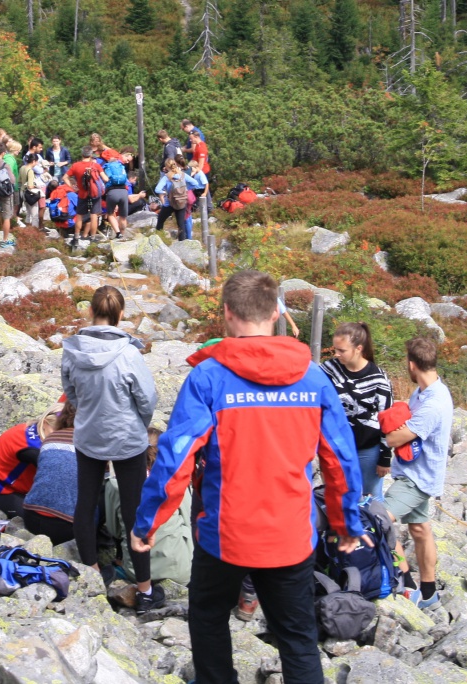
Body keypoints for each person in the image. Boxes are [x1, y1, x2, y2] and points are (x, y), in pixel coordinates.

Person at [132, 270, 368, 684]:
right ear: (277, 312)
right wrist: (346, 523)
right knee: (297, 638)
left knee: (207, 618)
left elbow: (176, 455)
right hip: (290, 535)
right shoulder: (314, 378)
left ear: (226, 313)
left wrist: (148, 521)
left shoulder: (208, 376)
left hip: (225, 534)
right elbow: (341, 459)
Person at [61, 286, 162, 612]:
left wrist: (88, 413)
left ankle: (91, 573)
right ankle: (144, 590)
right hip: (128, 439)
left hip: (89, 435)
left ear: (91, 312)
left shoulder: (72, 350)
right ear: (121, 316)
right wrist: (137, 423)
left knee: (85, 501)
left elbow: (71, 393)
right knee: (135, 510)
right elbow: (147, 400)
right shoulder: (129, 353)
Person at [383, 337, 453, 610]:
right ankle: (429, 592)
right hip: (415, 472)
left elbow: (397, 438)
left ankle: (405, 583)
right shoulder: (423, 393)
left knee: (379, 520)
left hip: (417, 480)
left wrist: (382, 430)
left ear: (412, 365)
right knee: (420, 529)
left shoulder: (435, 403)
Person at [105, 427, 193, 586]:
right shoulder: (176, 481)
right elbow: (189, 520)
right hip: (180, 571)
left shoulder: (115, 484)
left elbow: (114, 530)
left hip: (136, 573)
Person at [322, 323, 393, 502]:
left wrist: (385, 457)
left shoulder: (379, 379)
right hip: (337, 447)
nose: (337, 355)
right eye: (335, 350)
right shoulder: (329, 370)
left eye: (342, 350)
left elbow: (387, 419)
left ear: (358, 349)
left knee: (370, 497)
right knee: (341, 495)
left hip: (368, 449)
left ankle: (375, 529)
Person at [0, 406, 61, 518]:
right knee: (46, 520)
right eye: (57, 432)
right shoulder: (33, 448)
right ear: (46, 423)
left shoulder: (33, 428)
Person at [22, 403, 78, 545]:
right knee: (108, 492)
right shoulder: (93, 444)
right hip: (66, 528)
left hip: (30, 518)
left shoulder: (49, 439)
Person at [65, 145, 108, 247]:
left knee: (79, 215)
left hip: (82, 194)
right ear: (91, 155)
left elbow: (65, 177)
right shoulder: (96, 165)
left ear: (82, 154)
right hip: (94, 194)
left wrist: (72, 187)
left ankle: (76, 238)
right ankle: (92, 238)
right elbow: (105, 179)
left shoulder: (75, 165)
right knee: (94, 216)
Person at [155, 159, 195, 240]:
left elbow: (157, 189)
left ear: (166, 167)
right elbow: (195, 183)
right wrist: (186, 189)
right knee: (181, 225)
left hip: (169, 203)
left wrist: (165, 192)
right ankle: (182, 243)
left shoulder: (166, 177)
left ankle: (159, 238)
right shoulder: (183, 175)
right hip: (181, 202)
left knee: (160, 220)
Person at [104, 150, 134, 240]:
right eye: (127, 159)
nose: (127, 162)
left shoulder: (107, 166)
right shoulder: (121, 166)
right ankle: (123, 234)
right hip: (123, 192)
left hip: (112, 192)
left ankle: (118, 233)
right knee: (123, 216)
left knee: (110, 214)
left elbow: (106, 179)